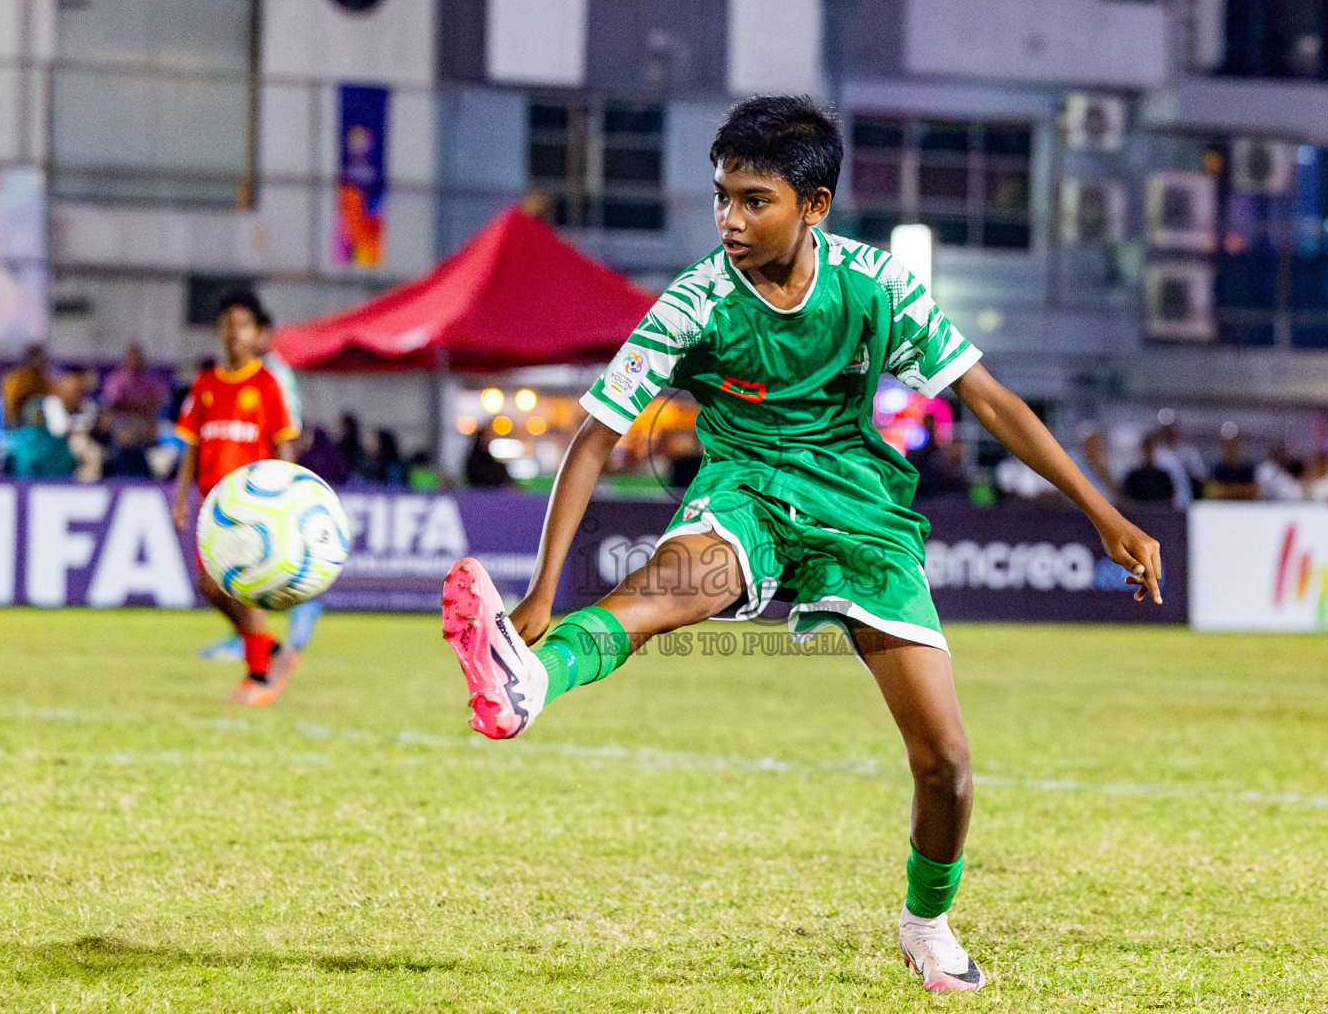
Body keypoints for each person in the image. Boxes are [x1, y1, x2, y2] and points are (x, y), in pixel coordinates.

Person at [435, 96, 1162, 994]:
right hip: (747, 487)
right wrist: (542, 592)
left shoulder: (877, 283)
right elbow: (593, 434)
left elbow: (993, 401)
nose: (730, 221)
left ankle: (927, 924)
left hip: (861, 511)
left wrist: (1105, 513)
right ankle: (532, 679)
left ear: (814, 206)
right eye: (720, 198)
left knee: (947, 763)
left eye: (754, 200)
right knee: (668, 591)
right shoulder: (696, 300)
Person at [171, 290, 301, 705]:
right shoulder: (206, 384)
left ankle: (259, 677)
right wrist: (180, 498)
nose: (234, 333)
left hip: (253, 505)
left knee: (245, 589)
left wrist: (289, 492)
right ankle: (272, 650)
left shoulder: (266, 384)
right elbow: (191, 445)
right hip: (213, 505)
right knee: (209, 588)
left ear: (257, 333)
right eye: (227, 325)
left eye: (243, 325)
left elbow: (282, 444)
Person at [198, 303, 325, 663]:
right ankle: (259, 644)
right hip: (243, 483)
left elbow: (287, 431)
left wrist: (279, 481)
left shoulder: (272, 375)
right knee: (225, 578)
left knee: (250, 570)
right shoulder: (238, 373)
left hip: (263, 484)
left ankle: (274, 641)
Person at [100, 343, 168, 451]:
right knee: (123, 432)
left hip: (144, 419)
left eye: (137, 358)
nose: (135, 361)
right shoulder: (116, 379)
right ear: (125, 359)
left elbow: (157, 401)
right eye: (132, 357)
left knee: (161, 430)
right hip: (121, 419)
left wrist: (136, 407)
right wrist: (136, 407)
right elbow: (113, 404)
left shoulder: (149, 380)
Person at [1, 344, 55, 429]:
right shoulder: (16, 381)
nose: (39, 363)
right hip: (20, 427)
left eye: (42, 360)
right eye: (36, 359)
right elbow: (10, 409)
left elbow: (52, 404)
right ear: (29, 359)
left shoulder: (45, 382)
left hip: (42, 429)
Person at [1208, 422, 1258, 500]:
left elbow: (1254, 492)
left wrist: (1228, 491)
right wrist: (1241, 491)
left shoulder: (1249, 469)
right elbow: (1214, 492)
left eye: (1233, 443)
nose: (1231, 447)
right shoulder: (1218, 469)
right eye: (1227, 444)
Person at [1122, 435, 1177, 504]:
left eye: (1150, 449)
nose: (1147, 452)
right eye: (1145, 449)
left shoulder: (1163, 476)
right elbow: (1128, 499)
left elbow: (1169, 499)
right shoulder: (1133, 477)